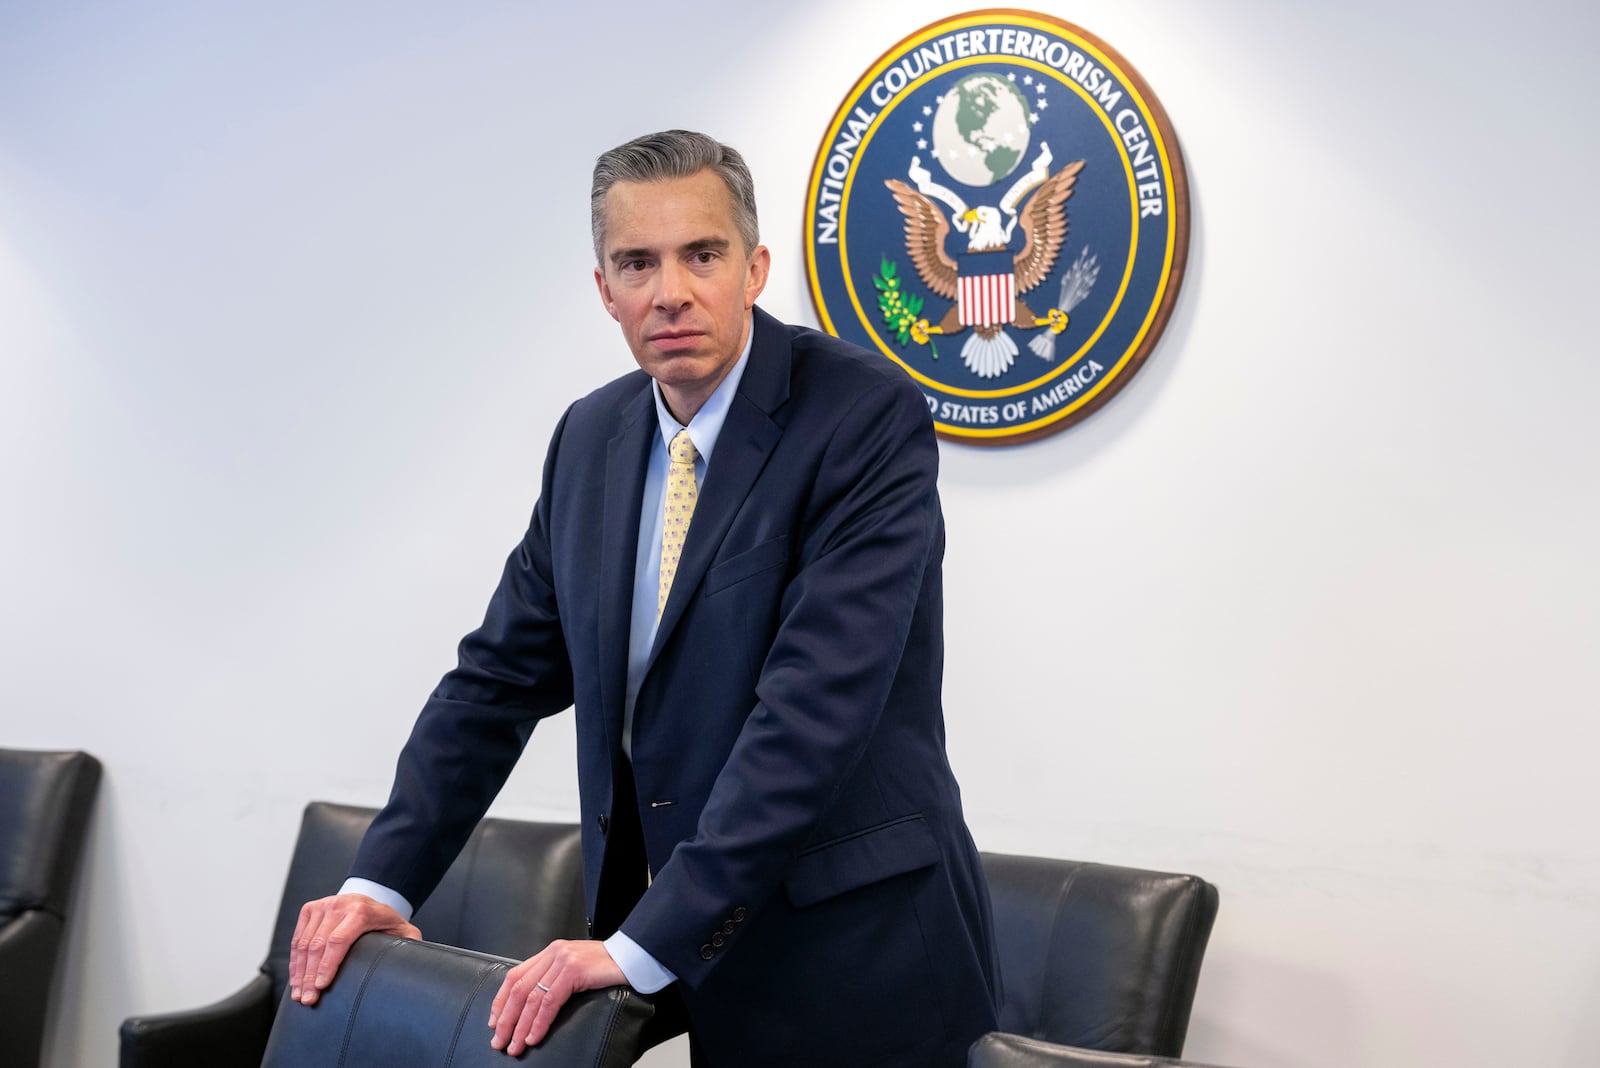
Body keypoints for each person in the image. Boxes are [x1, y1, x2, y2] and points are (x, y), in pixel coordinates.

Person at [287, 129, 999, 1067]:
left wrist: (645, 942)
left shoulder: (863, 416)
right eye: (638, 262)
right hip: (688, 930)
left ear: (754, 268)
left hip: (857, 951)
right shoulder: (591, 438)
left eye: (701, 255)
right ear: (604, 290)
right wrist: (384, 882)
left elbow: (812, 712)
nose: (671, 291)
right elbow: (495, 681)